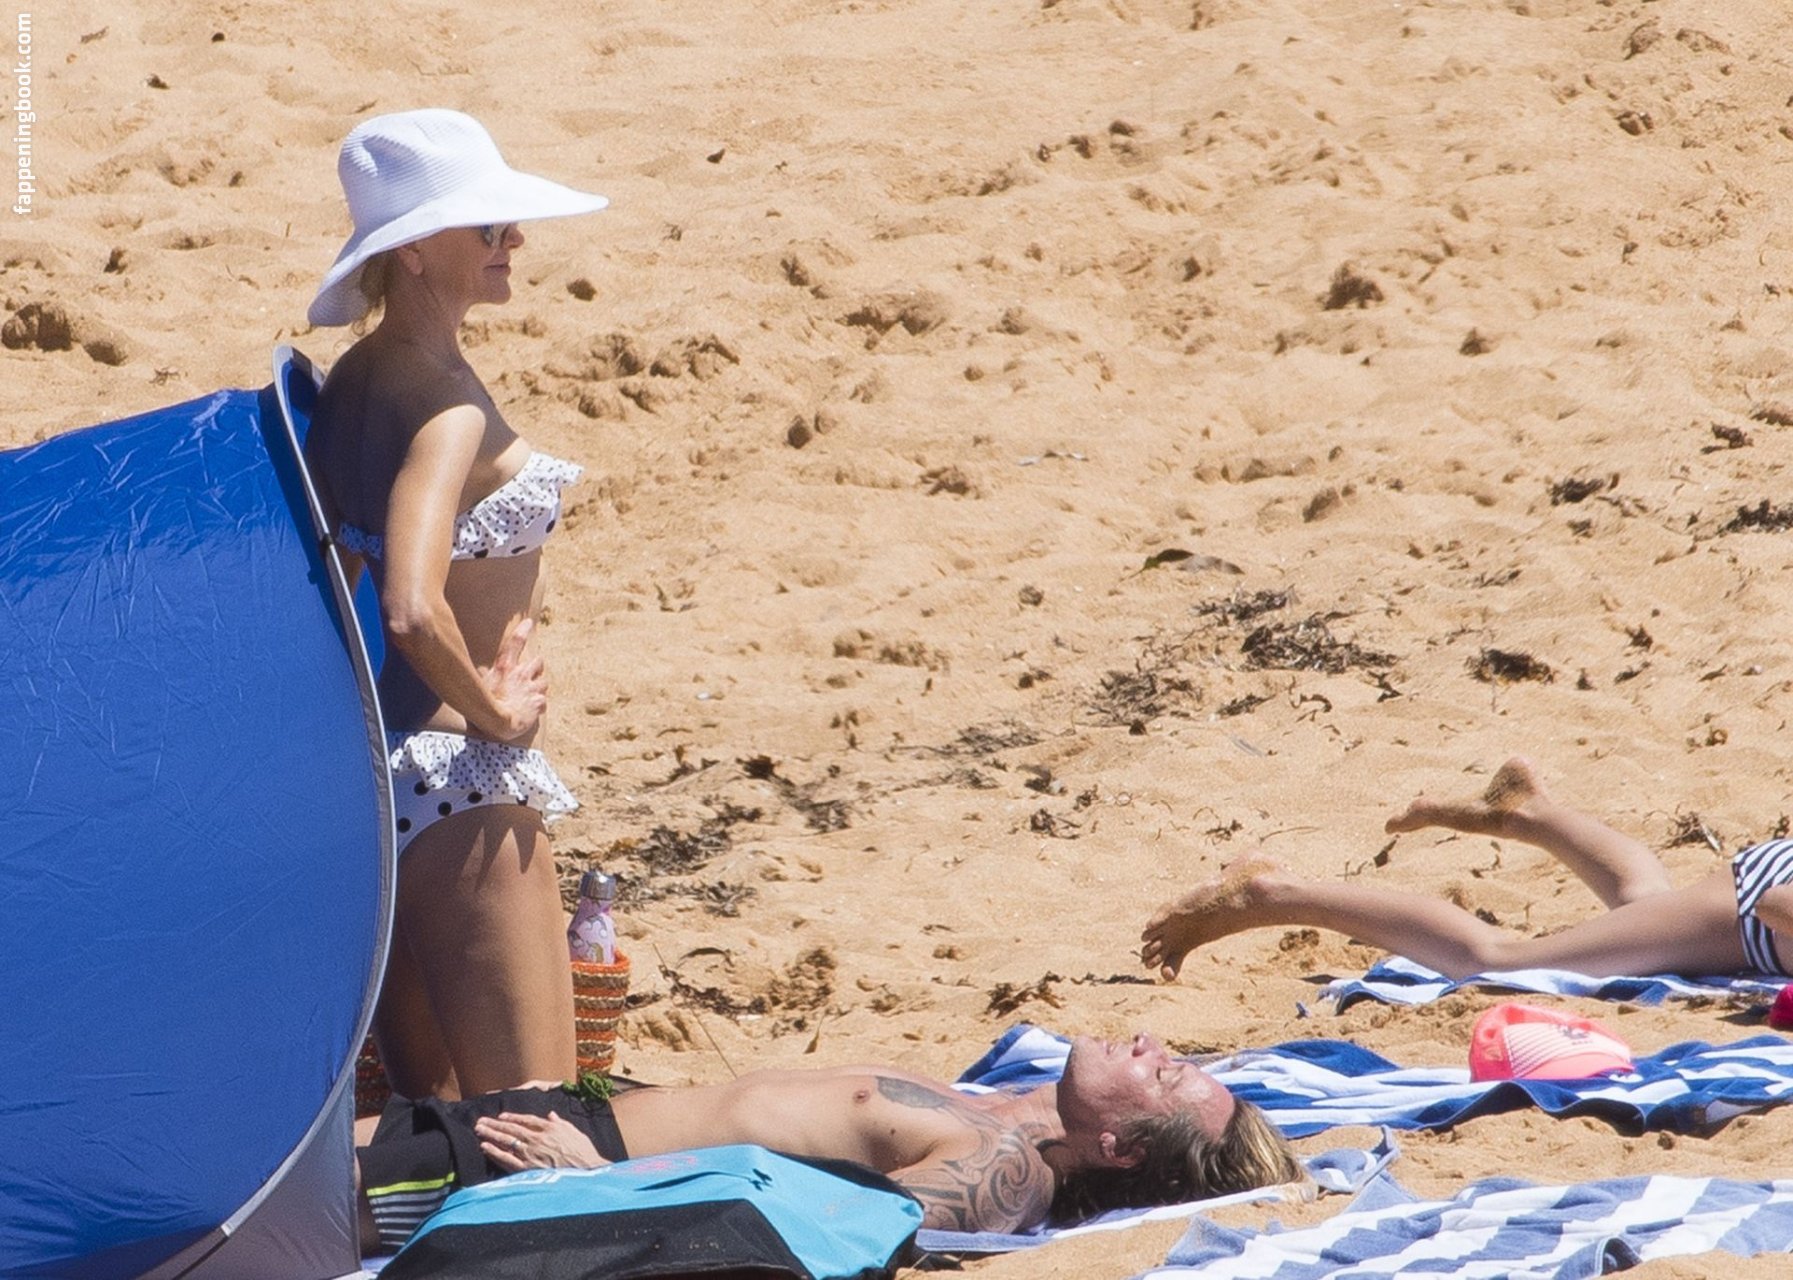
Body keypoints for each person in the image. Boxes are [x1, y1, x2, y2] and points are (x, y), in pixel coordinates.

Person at [304, 109, 611, 1100]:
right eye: (486, 226)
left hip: (377, 786)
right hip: (463, 789)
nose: (513, 238)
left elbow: (342, 582)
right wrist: (497, 715)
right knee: (538, 1125)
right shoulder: (444, 408)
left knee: (435, 1128)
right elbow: (409, 606)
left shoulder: (352, 380)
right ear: (413, 252)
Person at [356, 1031, 1303, 1249]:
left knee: (276, 1198)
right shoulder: (1001, 1110)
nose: (1154, 1046)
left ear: (1121, 1148)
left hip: (530, 1165)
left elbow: (816, 1227)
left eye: (1166, 1076)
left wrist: (598, 1180)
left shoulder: (1002, 1173)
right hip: (565, 1111)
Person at [1140, 756, 1793, 983]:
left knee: (1645, 905)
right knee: (1499, 962)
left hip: (1743, 901)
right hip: (1745, 910)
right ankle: (1275, 894)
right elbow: (1772, 905)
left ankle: (1527, 812)